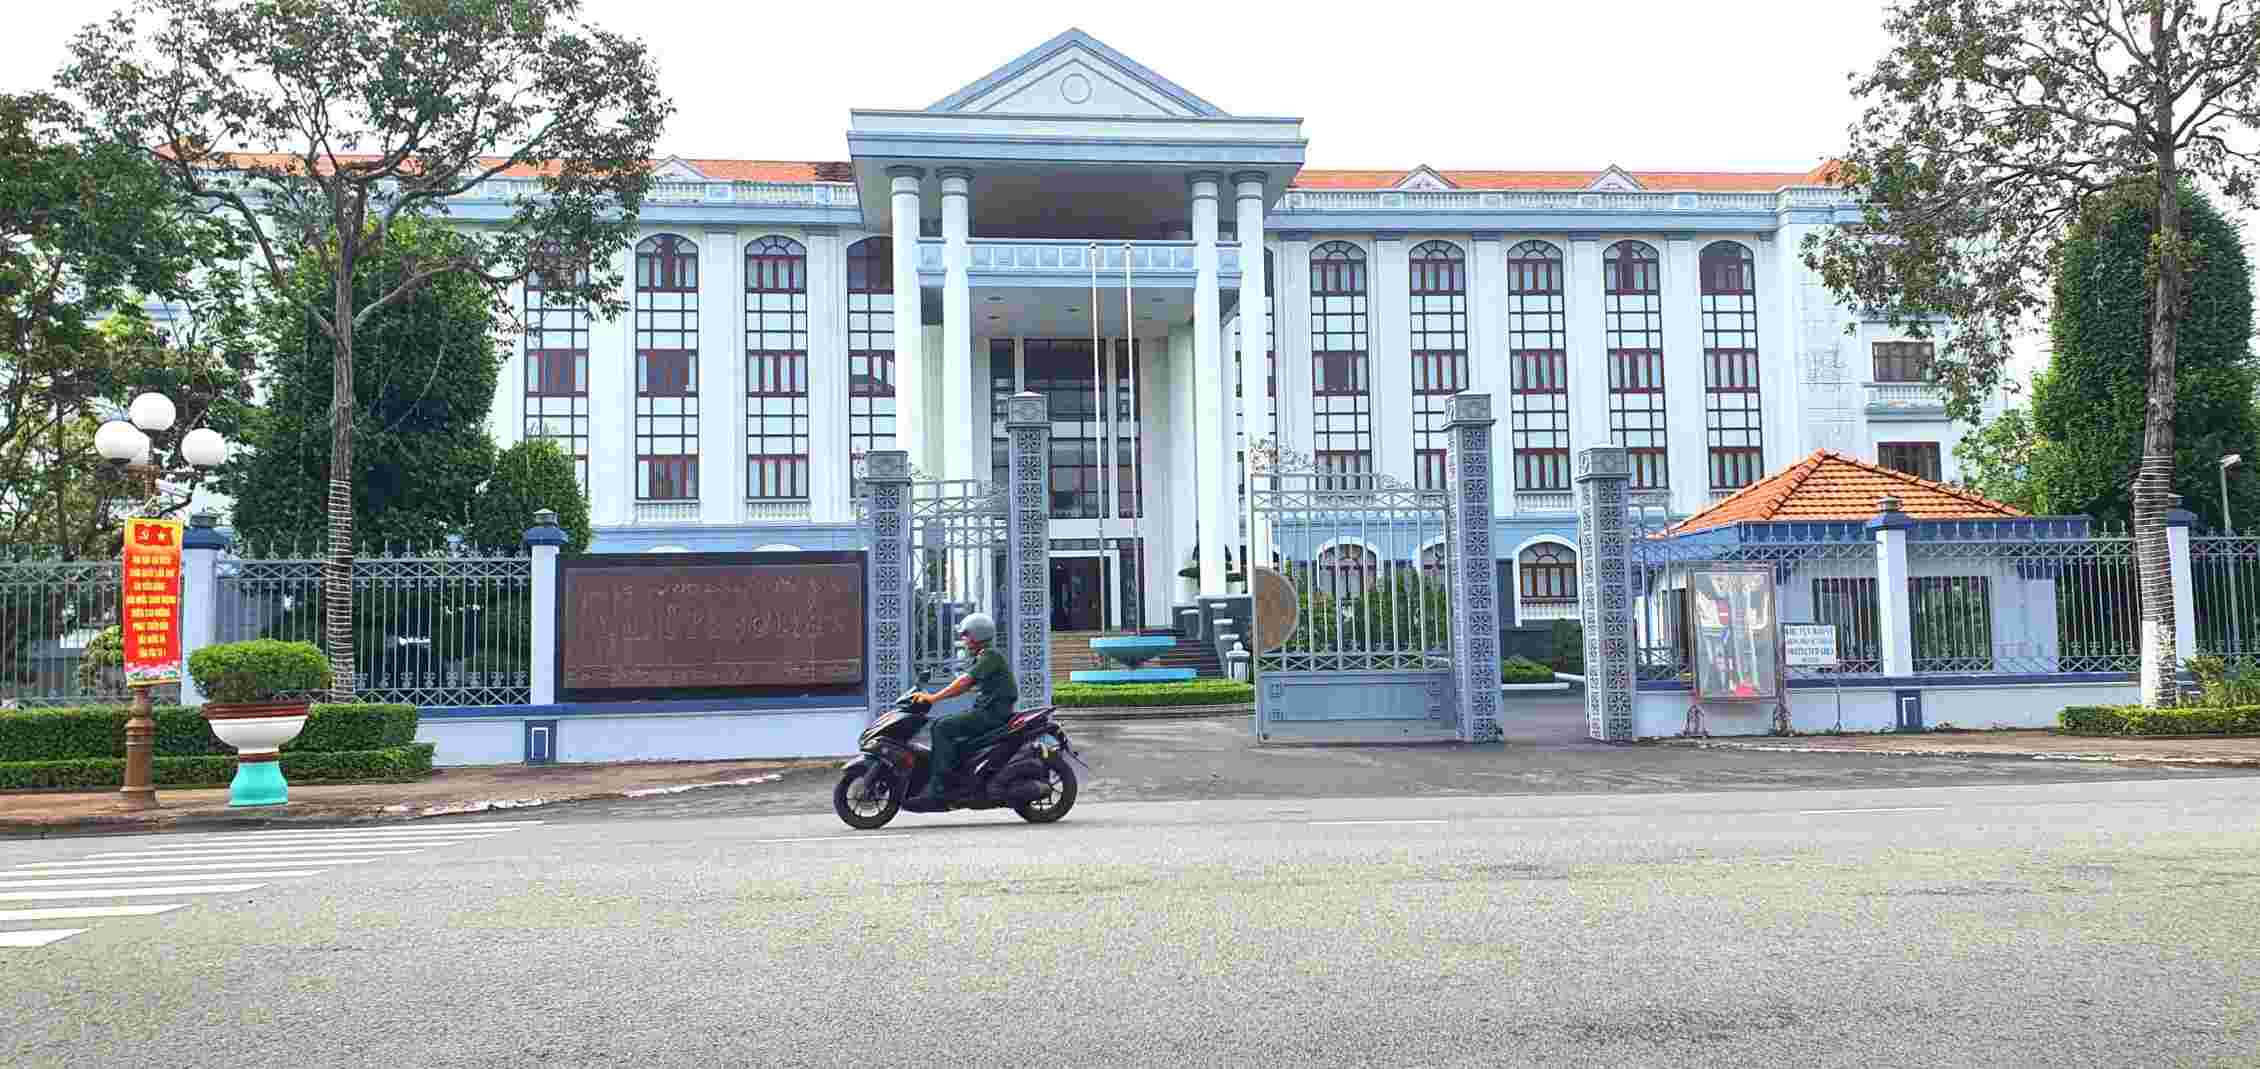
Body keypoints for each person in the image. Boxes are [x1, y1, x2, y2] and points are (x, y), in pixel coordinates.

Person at [905, 612, 1017, 810]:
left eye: (966, 635)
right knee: (949, 728)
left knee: (942, 727)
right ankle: (958, 777)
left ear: (977, 635)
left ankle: (940, 789)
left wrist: (933, 698)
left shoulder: (990, 656)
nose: (963, 639)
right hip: (987, 711)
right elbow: (964, 683)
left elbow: (963, 682)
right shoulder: (983, 657)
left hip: (992, 714)